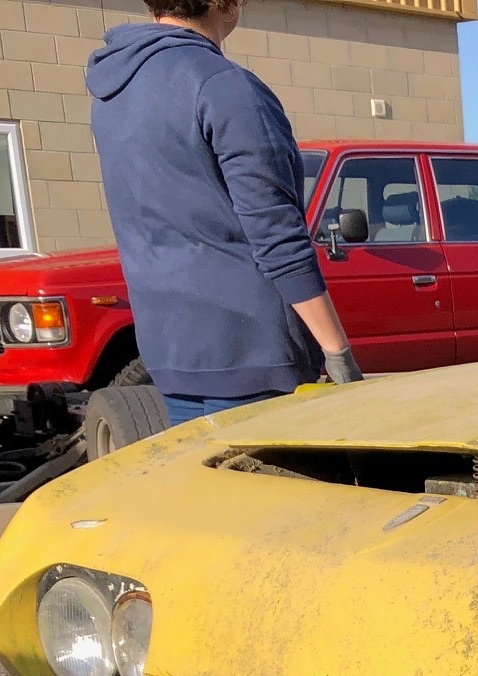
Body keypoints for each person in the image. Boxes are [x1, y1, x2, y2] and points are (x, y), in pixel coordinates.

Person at [86, 0, 361, 427]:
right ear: (225, 5)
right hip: (253, 353)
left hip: (170, 352)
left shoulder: (113, 93)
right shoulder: (224, 86)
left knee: (205, 492)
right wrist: (337, 353)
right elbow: (276, 234)